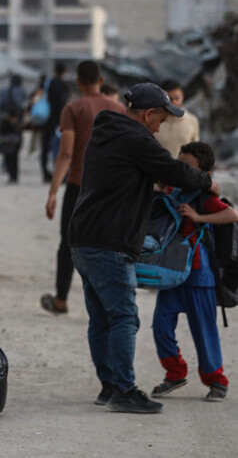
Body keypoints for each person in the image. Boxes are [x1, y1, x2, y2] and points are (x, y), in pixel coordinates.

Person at [69, 82, 219, 414]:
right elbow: (177, 171)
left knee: (102, 318)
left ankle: (109, 387)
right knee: (123, 316)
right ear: (149, 113)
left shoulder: (105, 134)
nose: (160, 127)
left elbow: (127, 178)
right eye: (161, 120)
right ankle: (124, 390)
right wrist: (208, 182)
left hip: (82, 239)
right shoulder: (137, 139)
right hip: (111, 243)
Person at [151, 142, 233, 403]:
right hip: (171, 272)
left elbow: (231, 214)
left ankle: (216, 380)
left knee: (204, 331)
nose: (181, 169)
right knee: (161, 326)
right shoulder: (173, 189)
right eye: (180, 163)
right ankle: (175, 373)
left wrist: (199, 218)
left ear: (203, 173)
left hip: (199, 274)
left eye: (188, 166)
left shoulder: (205, 197)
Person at [42, 61, 126, 314]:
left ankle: (61, 298)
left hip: (79, 186)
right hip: (110, 188)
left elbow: (66, 153)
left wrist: (53, 191)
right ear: (100, 81)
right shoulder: (119, 109)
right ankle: (109, 301)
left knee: (68, 243)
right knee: (106, 244)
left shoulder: (73, 108)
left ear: (78, 82)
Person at [155, 80, 200, 158]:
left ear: (182, 96)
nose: (174, 103)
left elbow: (195, 152)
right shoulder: (154, 120)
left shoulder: (192, 121)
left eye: (177, 98)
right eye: (170, 99)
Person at [41, 62, 70, 182]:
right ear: (64, 71)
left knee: (45, 147)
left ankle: (45, 172)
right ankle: (61, 174)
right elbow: (62, 103)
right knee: (60, 147)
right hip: (59, 120)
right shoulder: (64, 85)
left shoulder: (49, 83)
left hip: (47, 118)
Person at [0, 106, 22, 184]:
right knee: (10, 161)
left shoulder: (11, 122)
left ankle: (14, 177)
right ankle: (12, 177)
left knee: (13, 162)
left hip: (12, 145)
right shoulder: (7, 122)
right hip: (9, 145)